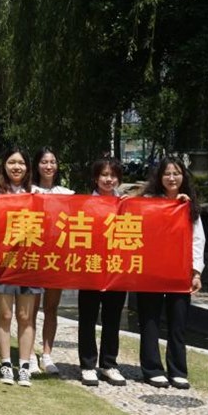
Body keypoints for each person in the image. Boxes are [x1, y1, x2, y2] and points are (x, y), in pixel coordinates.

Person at [138, 157, 204, 390]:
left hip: (179, 272)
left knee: (178, 322)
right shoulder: (148, 202)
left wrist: (196, 272)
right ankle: (152, 369)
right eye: (167, 173)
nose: (172, 178)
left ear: (183, 177)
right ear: (159, 177)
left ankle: (177, 370)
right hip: (151, 271)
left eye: (176, 173)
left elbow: (198, 240)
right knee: (150, 320)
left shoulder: (188, 205)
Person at [0, 146, 40, 387]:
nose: (16, 167)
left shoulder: (37, 194)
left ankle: (25, 366)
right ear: (4, 166)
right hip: (2, 263)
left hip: (29, 263)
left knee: (25, 316)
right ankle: (6, 364)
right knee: (5, 315)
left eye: (21, 163)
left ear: (27, 168)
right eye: (11, 162)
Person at [77, 156, 128, 387]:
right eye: (104, 175)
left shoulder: (126, 204)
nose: (109, 179)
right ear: (96, 178)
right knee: (88, 317)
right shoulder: (86, 203)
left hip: (117, 268)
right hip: (91, 267)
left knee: (113, 318)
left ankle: (109, 364)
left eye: (113, 175)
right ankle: (88, 365)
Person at [32, 147, 74, 376]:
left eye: (52, 162)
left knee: (51, 307)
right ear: (37, 165)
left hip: (57, 256)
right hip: (33, 255)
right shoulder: (29, 191)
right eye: (44, 162)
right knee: (29, 308)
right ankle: (29, 352)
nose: (48, 166)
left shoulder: (67, 194)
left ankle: (47, 354)